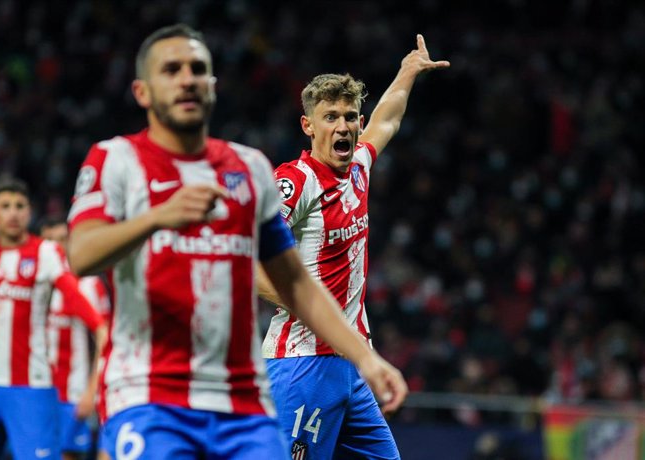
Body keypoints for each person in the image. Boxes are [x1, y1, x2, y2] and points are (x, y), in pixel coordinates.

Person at [66, 23, 407, 459]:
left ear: (212, 85)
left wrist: (367, 358)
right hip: (151, 392)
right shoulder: (115, 160)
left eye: (197, 68)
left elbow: (296, 283)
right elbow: (80, 255)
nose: (187, 78)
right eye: (172, 69)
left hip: (239, 397)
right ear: (142, 91)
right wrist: (158, 217)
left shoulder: (248, 169)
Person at [257, 35, 450, 458]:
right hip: (301, 364)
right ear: (308, 126)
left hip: (351, 363)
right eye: (330, 117)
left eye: (350, 116)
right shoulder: (295, 182)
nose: (342, 126)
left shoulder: (358, 167)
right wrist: (310, 307)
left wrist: (408, 71)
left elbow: (388, 121)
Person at [0, 178, 102, 460]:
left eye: (20, 206)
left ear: (29, 212)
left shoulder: (46, 253)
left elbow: (91, 316)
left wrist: (92, 386)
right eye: (5, 206)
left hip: (30, 389)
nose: (13, 213)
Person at [40, 218, 109, 460]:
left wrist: (92, 390)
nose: (56, 247)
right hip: (37, 389)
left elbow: (104, 338)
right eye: (49, 241)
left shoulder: (89, 285)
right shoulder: (34, 283)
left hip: (73, 392)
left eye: (61, 240)